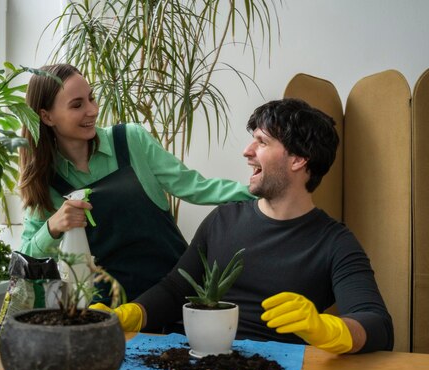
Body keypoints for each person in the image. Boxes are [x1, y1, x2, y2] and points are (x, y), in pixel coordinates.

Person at [92, 98, 394, 354]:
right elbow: (175, 290)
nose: (247, 151)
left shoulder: (334, 243)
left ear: (299, 159)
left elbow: (378, 325)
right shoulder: (222, 220)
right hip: (193, 360)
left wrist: (331, 329)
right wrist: (129, 314)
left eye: (262, 142)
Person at [18, 64, 253, 302]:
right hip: (110, 309)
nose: (92, 110)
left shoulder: (130, 140)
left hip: (174, 293)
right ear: (47, 116)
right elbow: (26, 258)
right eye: (77, 105)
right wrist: (53, 227)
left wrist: (260, 192)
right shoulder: (44, 182)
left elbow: (195, 186)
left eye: (91, 98)